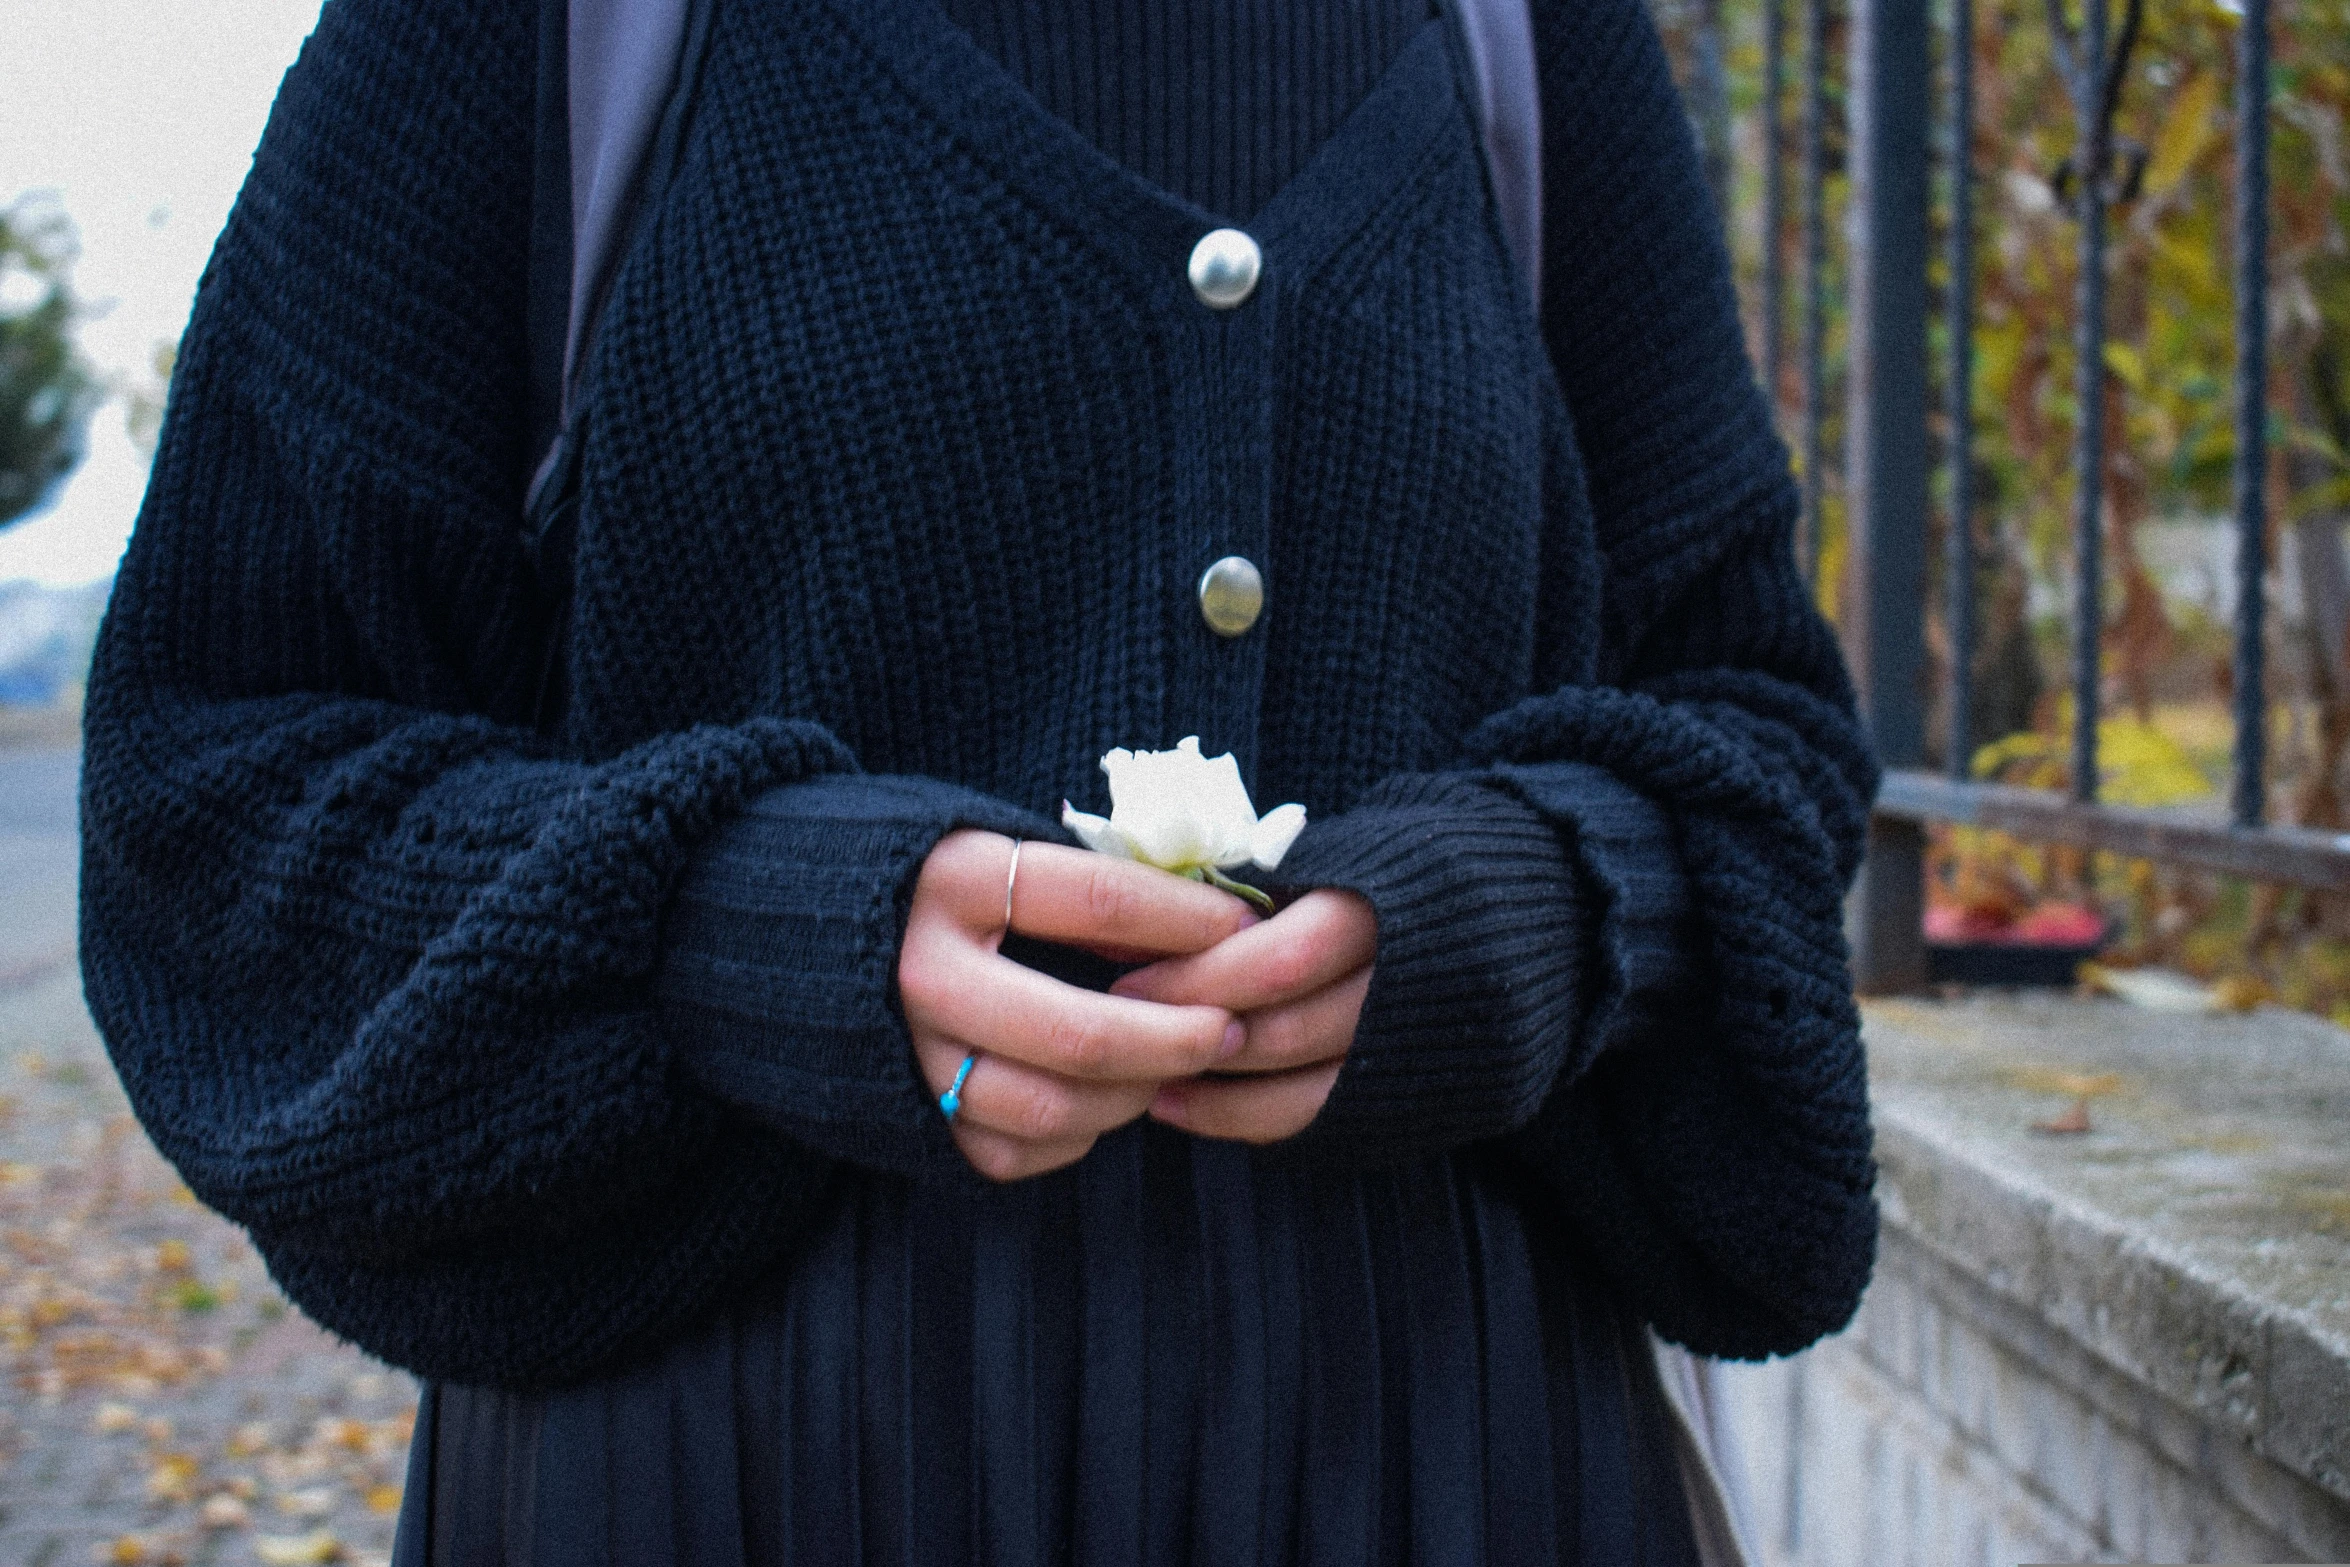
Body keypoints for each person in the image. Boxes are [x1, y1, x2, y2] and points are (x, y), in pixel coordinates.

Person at [77, 0, 1881, 1558]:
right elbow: (213, 775)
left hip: (1442, 1465)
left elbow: (1759, 727)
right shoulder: (543, 34)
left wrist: (1545, 907)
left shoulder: (1520, 35)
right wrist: (727, 922)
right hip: (730, 1477)